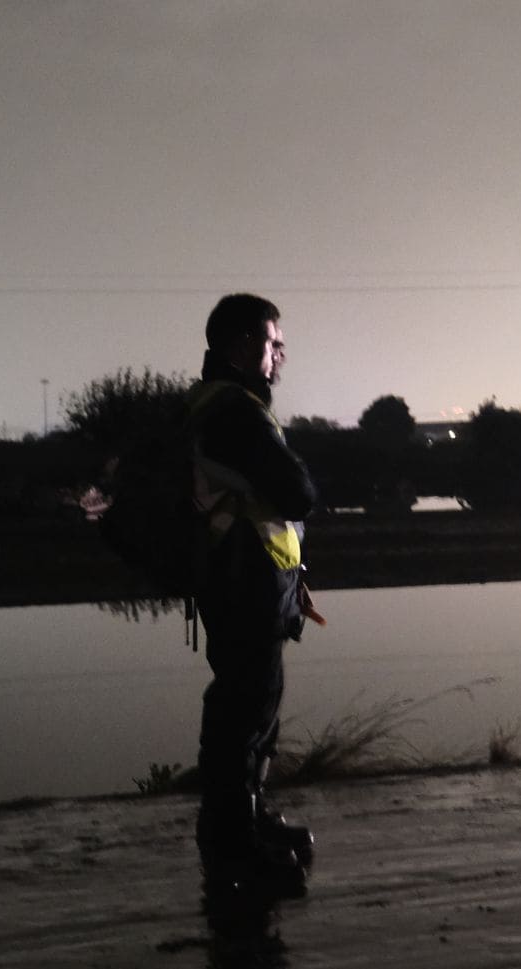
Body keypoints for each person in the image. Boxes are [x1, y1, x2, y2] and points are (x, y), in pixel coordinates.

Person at [186, 293, 321, 893]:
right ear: (242, 346)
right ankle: (231, 843)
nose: (279, 354)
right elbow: (296, 492)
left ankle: (247, 819)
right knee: (243, 709)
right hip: (243, 579)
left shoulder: (225, 403)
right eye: (272, 343)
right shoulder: (234, 410)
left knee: (254, 706)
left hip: (246, 577)